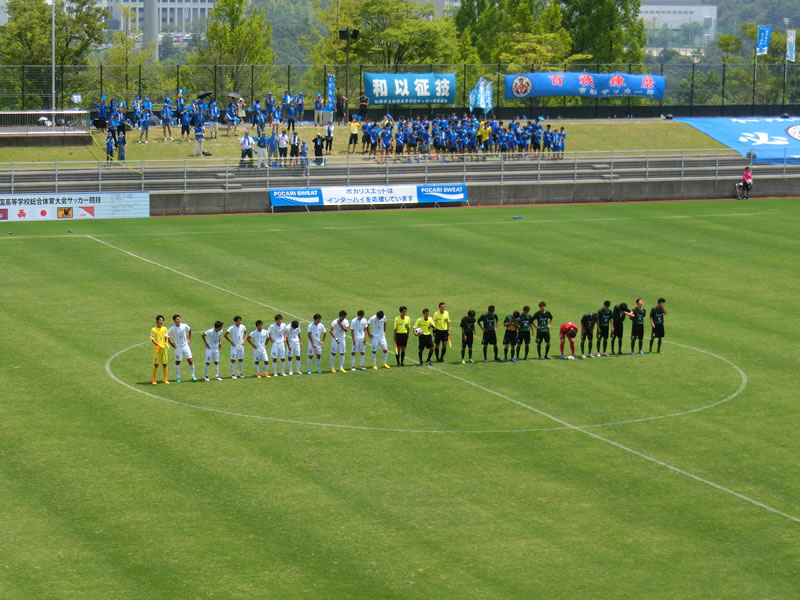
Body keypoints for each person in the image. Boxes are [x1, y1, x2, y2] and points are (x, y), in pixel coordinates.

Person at [167, 314, 196, 382]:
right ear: (174, 320)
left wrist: (189, 338)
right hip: (178, 347)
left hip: (185, 346)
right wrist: (171, 343)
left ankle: (193, 376)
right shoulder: (172, 328)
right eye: (177, 319)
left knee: (190, 360)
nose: (178, 320)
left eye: (179, 319)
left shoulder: (184, 325)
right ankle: (178, 377)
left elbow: (190, 330)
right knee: (178, 361)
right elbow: (166, 335)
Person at [150, 315, 169, 384]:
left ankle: (165, 379)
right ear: (157, 321)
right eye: (160, 320)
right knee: (156, 364)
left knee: (165, 364)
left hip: (164, 349)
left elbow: (166, 337)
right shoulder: (153, 329)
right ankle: (154, 379)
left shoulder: (165, 328)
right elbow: (152, 339)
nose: (161, 321)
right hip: (157, 349)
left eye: (162, 320)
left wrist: (166, 343)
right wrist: (159, 344)